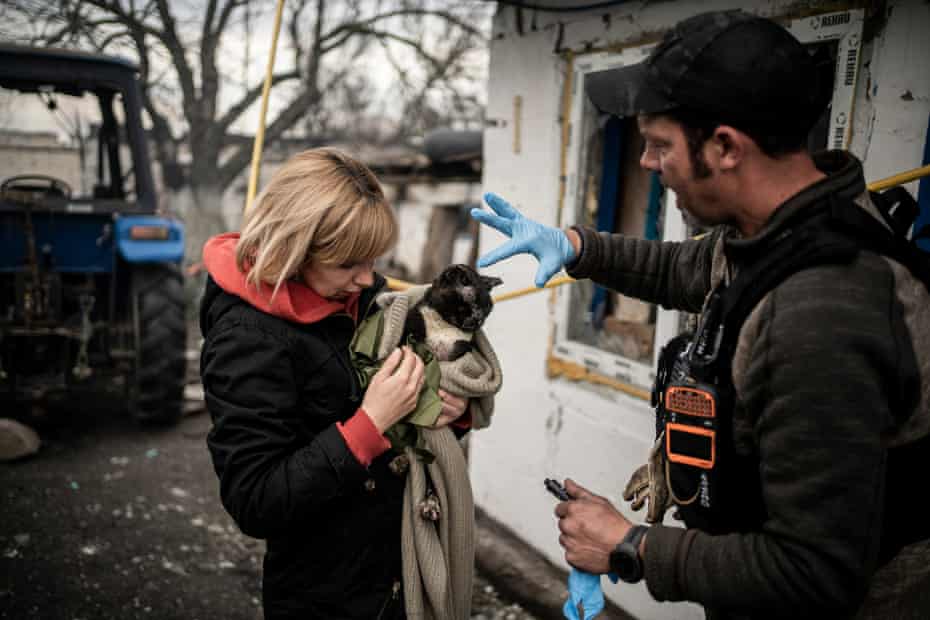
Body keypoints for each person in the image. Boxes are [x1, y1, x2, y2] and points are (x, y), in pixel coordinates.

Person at [471, 9, 930, 620]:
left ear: (725, 147)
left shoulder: (825, 310)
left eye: (660, 145)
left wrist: (629, 546)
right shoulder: (775, 230)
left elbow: (813, 573)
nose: (645, 165)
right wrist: (577, 246)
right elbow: (685, 270)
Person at [199, 147, 469, 619]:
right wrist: (372, 423)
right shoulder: (246, 340)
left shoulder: (365, 299)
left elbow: (410, 402)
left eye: (372, 260)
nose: (368, 279)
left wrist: (441, 409)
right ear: (294, 249)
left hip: (395, 575)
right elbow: (255, 499)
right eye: (349, 265)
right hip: (325, 597)